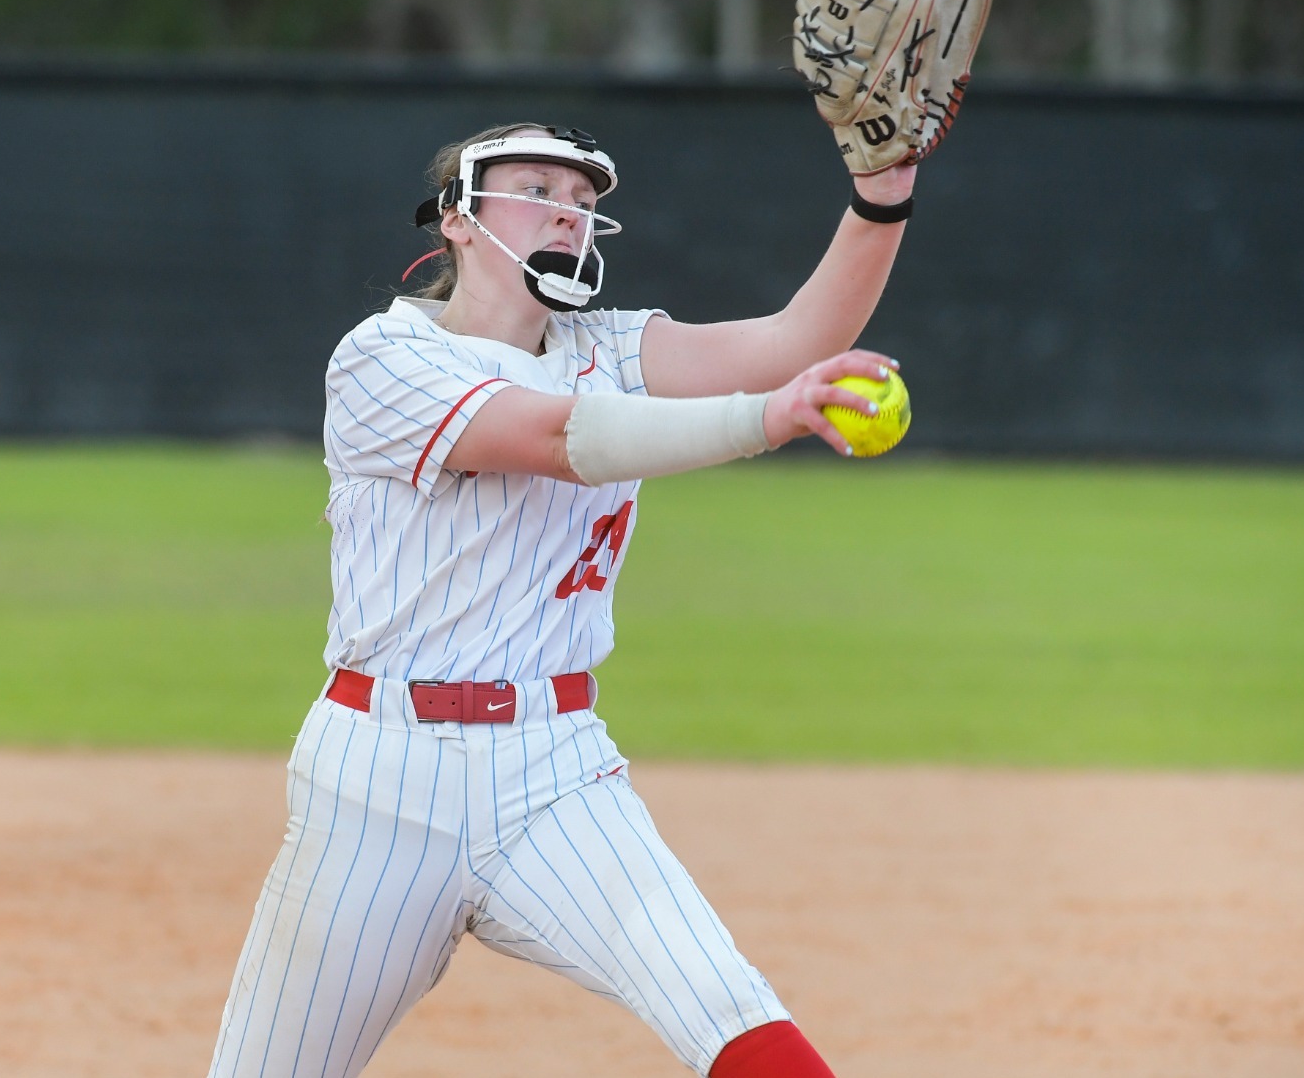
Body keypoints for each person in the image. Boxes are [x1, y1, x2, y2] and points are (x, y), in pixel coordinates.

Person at [204, 120, 915, 1077]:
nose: (567, 216)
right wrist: (764, 419)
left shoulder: (609, 347)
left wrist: (883, 193)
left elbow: (798, 339)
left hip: (554, 770)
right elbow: (553, 437)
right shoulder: (382, 358)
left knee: (724, 999)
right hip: (378, 780)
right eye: (537, 190)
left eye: (584, 203)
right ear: (458, 217)